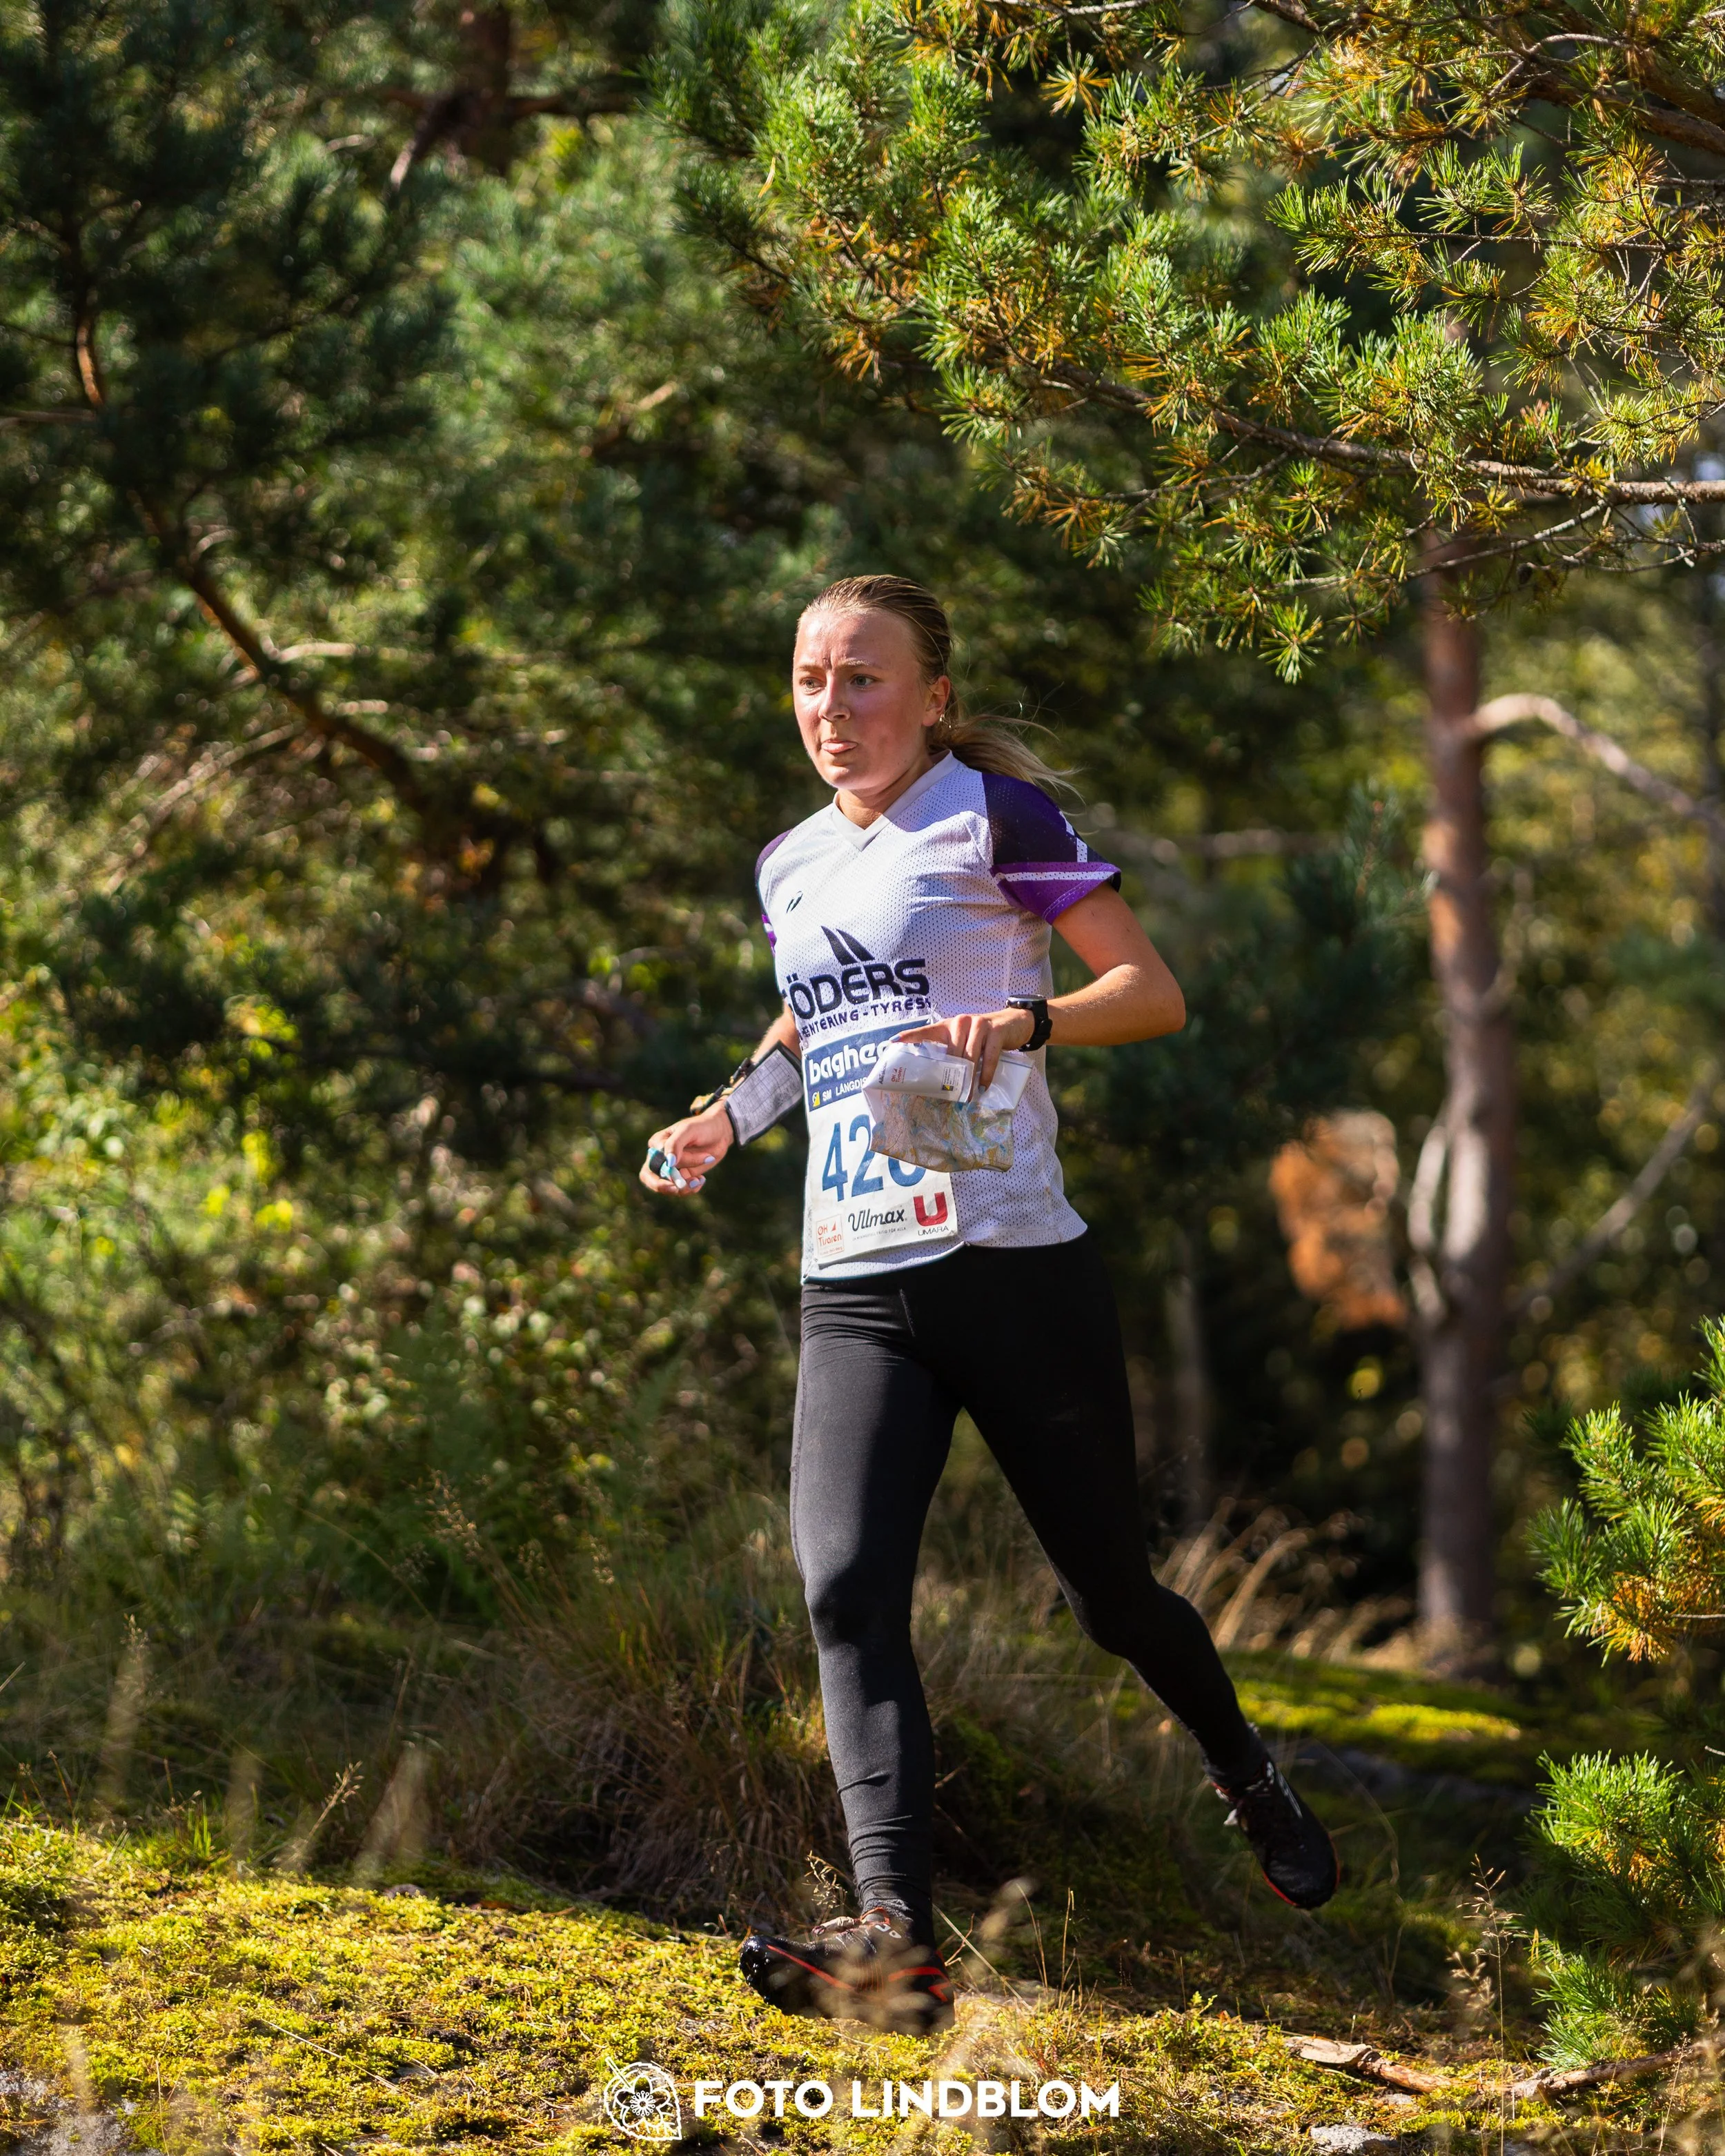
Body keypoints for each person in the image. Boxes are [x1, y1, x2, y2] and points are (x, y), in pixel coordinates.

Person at [640, 575, 1337, 2035]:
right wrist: (727, 1113)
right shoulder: (789, 863)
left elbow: (1149, 990)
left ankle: (1243, 1768)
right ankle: (893, 1939)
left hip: (1012, 1267)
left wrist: (1026, 1019)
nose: (832, 708)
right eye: (811, 679)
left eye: (864, 678)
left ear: (934, 695)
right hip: (853, 1278)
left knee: (1108, 1598)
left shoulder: (991, 817)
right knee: (844, 1591)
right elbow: (812, 1017)